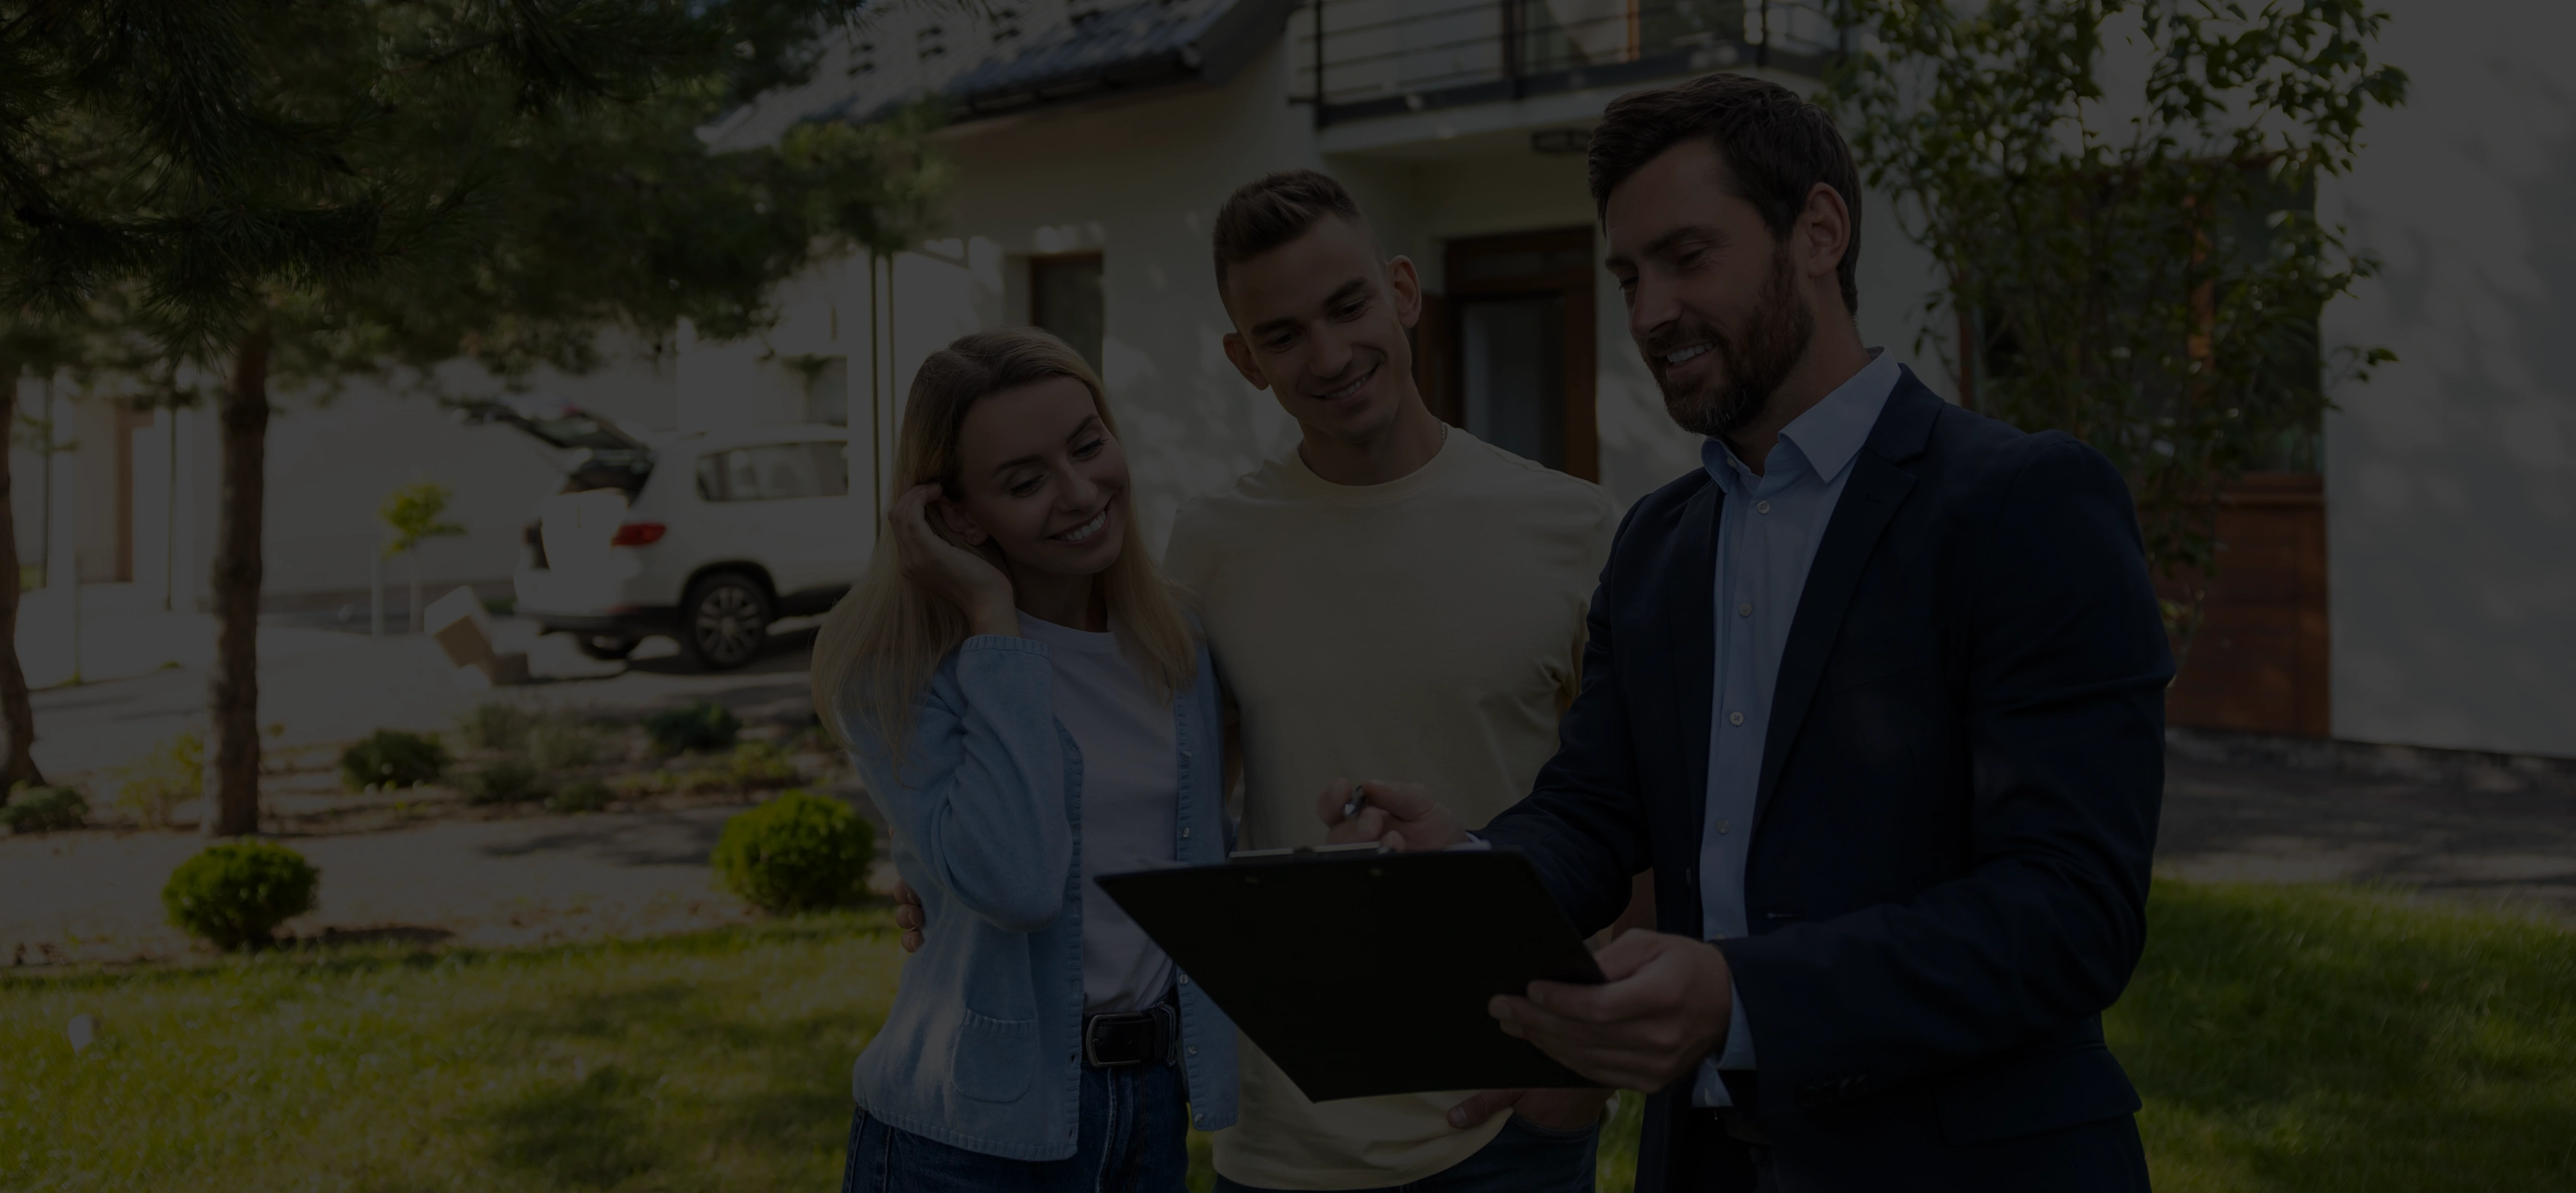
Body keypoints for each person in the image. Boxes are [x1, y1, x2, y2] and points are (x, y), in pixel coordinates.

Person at [1321, 74, 2173, 1192]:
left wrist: (1741, 997)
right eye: (1629, 276)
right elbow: (1594, 806)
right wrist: (1475, 877)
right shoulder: (1659, 542)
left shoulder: (2022, 504)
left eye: (1688, 257)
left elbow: (2073, 911)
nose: (1648, 312)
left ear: (1819, 232)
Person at [893, 170, 1640, 1192]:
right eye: (1283, 335)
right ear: (1246, 362)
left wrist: (1581, 1061)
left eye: (1348, 307)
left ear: (1404, 291)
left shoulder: (1576, 528)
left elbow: (1642, 811)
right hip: (1287, 1127)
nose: (1329, 356)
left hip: (1508, 1115)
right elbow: (1139, 784)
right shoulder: (1209, 549)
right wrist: (941, 870)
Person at [811, 327, 1237, 1192]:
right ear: (956, 514)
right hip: (966, 1143)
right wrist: (990, 615)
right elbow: (1019, 882)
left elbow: (1196, 863)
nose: (1080, 492)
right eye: (1025, 480)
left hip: (1151, 1116)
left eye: (1088, 446)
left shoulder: (1178, 641)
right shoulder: (893, 670)